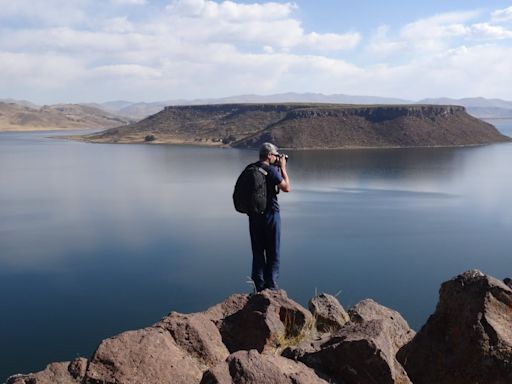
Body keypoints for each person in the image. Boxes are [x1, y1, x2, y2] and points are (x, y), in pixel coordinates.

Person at [248, 142, 291, 292]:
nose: (277, 158)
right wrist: (283, 167)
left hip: (253, 216)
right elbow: (286, 188)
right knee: (273, 251)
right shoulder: (270, 170)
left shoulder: (251, 168)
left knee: (258, 252)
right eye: (275, 155)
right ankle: (272, 288)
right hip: (271, 214)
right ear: (269, 155)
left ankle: (258, 287)